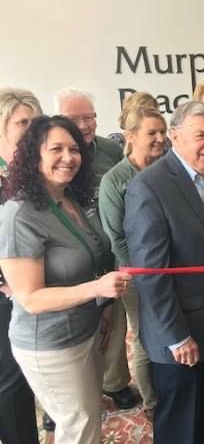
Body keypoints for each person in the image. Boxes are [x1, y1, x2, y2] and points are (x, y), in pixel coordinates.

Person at [0, 115, 130, 444]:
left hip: (85, 332)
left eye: (74, 149)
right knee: (80, 426)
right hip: (51, 344)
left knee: (85, 422)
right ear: (34, 155)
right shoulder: (20, 213)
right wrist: (96, 290)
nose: (68, 157)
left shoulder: (70, 199)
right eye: (56, 148)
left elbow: (91, 260)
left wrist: (104, 307)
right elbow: (30, 298)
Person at [124, 101, 204, 444]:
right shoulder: (150, 187)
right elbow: (150, 273)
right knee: (179, 426)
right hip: (179, 337)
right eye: (200, 135)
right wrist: (176, 335)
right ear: (175, 136)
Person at [54, 87, 135, 411]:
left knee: (113, 323)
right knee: (71, 331)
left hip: (107, 248)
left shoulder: (108, 150)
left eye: (90, 117)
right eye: (77, 118)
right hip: (67, 254)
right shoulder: (50, 152)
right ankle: (62, 401)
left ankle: (115, 383)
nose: (86, 124)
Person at [99, 107, 167, 416]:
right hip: (136, 276)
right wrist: (145, 277)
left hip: (172, 269)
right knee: (144, 338)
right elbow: (117, 239)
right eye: (152, 133)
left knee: (170, 331)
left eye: (162, 132)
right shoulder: (115, 180)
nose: (160, 138)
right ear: (131, 136)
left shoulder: (167, 169)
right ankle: (153, 403)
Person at [0, 87, 42, 444]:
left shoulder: (32, 175)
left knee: (23, 381)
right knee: (10, 383)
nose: (31, 130)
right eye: (22, 123)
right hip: (6, 296)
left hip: (35, 292)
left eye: (35, 123)